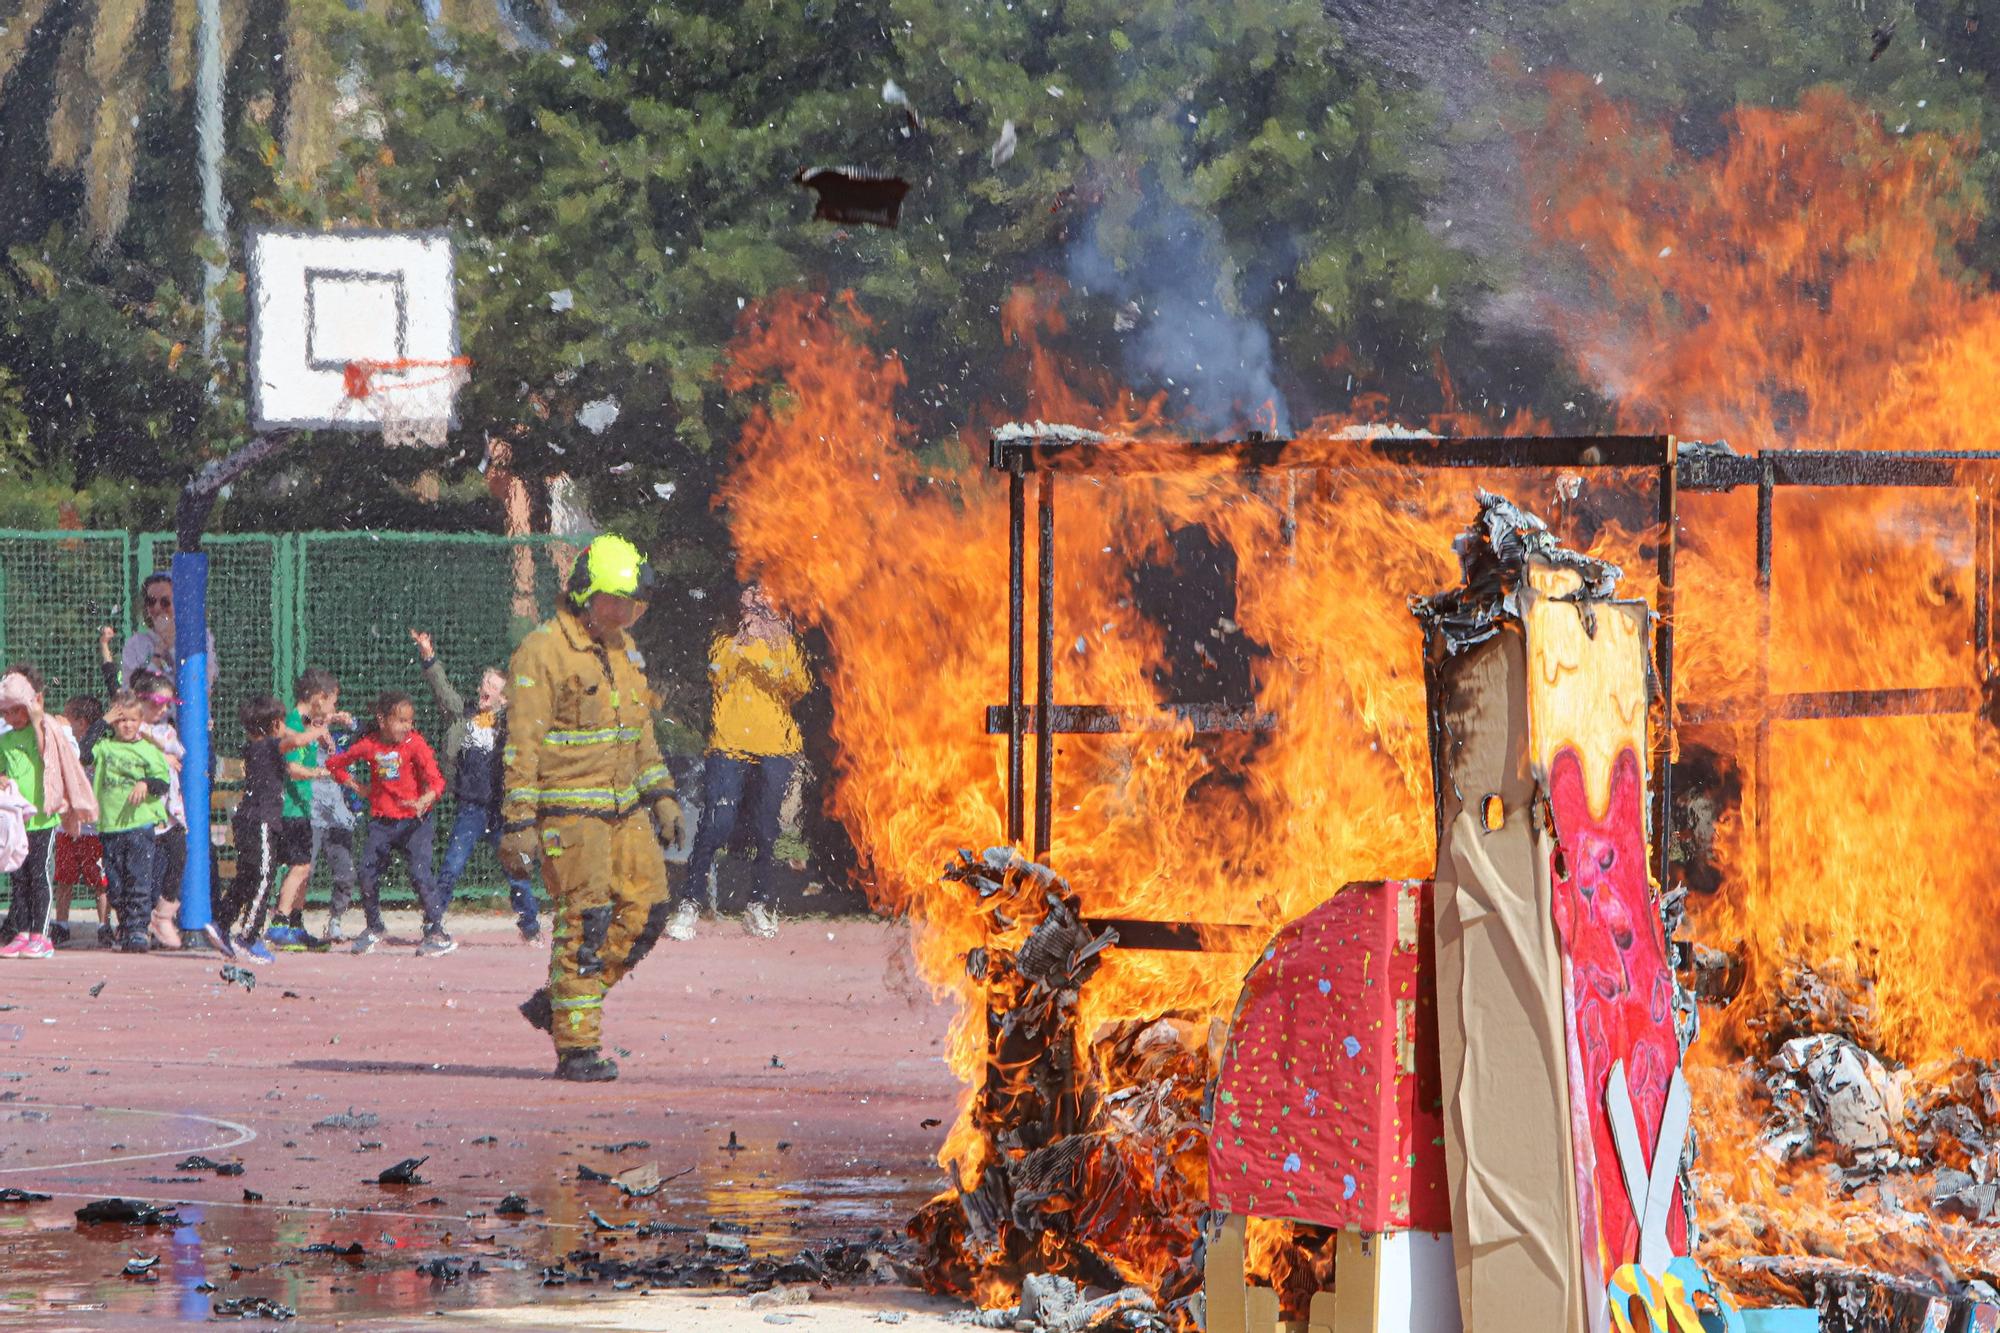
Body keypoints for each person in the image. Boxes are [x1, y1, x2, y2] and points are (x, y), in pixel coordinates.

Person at [502, 535, 681, 1082]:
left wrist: (663, 796)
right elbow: (522, 743)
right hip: (569, 816)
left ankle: (561, 1002)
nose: (625, 615)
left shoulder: (623, 649)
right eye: (615, 604)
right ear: (587, 595)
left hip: (624, 812)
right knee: (586, 924)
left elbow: (640, 732)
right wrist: (518, 823)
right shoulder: (542, 651)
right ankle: (576, 1049)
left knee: (649, 913)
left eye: (631, 607)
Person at [674, 583, 811, 942]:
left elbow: (797, 686)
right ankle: (690, 902)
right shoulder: (725, 643)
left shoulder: (786, 648)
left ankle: (759, 903)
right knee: (717, 823)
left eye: (762, 611)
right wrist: (741, 647)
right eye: (748, 610)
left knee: (767, 829)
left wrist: (764, 658)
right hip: (730, 745)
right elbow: (717, 673)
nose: (753, 618)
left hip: (774, 747)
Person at [411, 628, 542, 943]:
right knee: (451, 866)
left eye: (494, 686)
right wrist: (429, 656)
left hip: (500, 810)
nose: (486, 687)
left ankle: (531, 927)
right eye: (484, 682)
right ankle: (433, 923)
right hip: (470, 807)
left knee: (516, 871)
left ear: (504, 697)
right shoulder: (463, 715)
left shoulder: (510, 724)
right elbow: (442, 690)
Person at [327, 690, 446, 957]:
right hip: (382, 822)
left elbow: (437, 781)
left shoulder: (415, 744)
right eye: (401, 721)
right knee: (367, 873)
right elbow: (335, 765)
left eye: (409, 721)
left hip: (415, 823)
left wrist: (424, 799)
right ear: (382, 720)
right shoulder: (370, 745)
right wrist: (359, 788)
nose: (407, 726)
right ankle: (374, 927)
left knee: (420, 874)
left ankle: (437, 930)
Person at [215, 695, 327, 962]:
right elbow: (297, 740)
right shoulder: (271, 746)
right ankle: (248, 937)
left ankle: (220, 923)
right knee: (264, 878)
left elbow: (286, 734)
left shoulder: (253, 747)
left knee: (246, 877)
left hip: (246, 821)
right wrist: (321, 728)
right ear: (276, 725)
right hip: (262, 822)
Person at [0, 667, 97, 958]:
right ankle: (21, 931)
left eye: (14, 712)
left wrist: (37, 715)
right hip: (19, 820)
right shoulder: (4, 739)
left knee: (39, 875)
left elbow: (48, 753)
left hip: (42, 818)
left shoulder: (42, 731)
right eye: (4, 713)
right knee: (19, 878)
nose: (9, 718)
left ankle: (41, 935)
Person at [270, 669, 349, 951]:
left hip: (303, 808)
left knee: (305, 867)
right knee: (299, 867)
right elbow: (291, 768)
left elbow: (314, 722)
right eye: (332, 702)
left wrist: (332, 719)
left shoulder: (303, 720)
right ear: (318, 698)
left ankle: (295, 923)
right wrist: (320, 773)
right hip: (290, 808)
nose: (333, 708)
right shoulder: (291, 720)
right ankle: (279, 922)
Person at [91, 692, 174, 952]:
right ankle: (126, 925)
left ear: (140, 722)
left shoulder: (148, 751)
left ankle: (138, 928)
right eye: (121, 720)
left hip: (139, 826)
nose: (126, 725)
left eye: (131, 720)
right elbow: (82, 752)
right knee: (115, 884)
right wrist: (102, 722)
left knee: (138, 877)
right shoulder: (104, 748)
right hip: (110, 826)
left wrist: (145, 783)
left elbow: (162, 783)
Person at [51, 695, 110, 949]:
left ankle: (104, 925)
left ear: (83, 722)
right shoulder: (66, 746)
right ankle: (61, 925)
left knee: (100, 883)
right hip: (67, 829)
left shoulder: (96, 749)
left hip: (92, 830)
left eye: (69, 717)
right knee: (64, 879)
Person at [120, 572, 218, 699]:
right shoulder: (136, 644)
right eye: (151, 601)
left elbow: (201, 686)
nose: (157, 608)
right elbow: (131, 694)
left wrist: (172, 646)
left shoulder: (200, 637)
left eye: (165, 602)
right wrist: (157, 655)